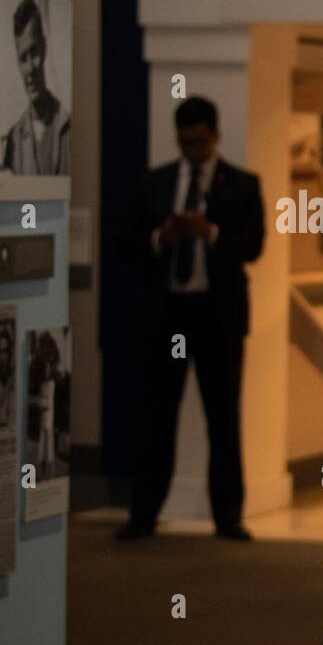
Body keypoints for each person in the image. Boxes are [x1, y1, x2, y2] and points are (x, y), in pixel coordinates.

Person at [117, 96, 265, 541]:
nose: (193, 150)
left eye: (199, 141)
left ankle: (228, 515)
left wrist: (210, 232)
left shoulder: (241, 184)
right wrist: (163, 236)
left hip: (216, 316)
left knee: (222, 416)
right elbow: (126, 243)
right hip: (168, 313)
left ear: (215, 136)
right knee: (157, 415)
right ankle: (143, 513)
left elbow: (253, 246)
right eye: (185, 142)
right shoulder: (156, 183)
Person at [2, 0, 70, 176]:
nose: (30, 69)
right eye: (23, 58)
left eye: (34, 53)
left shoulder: (69, 127)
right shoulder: (13, 141)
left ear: (44, 48)